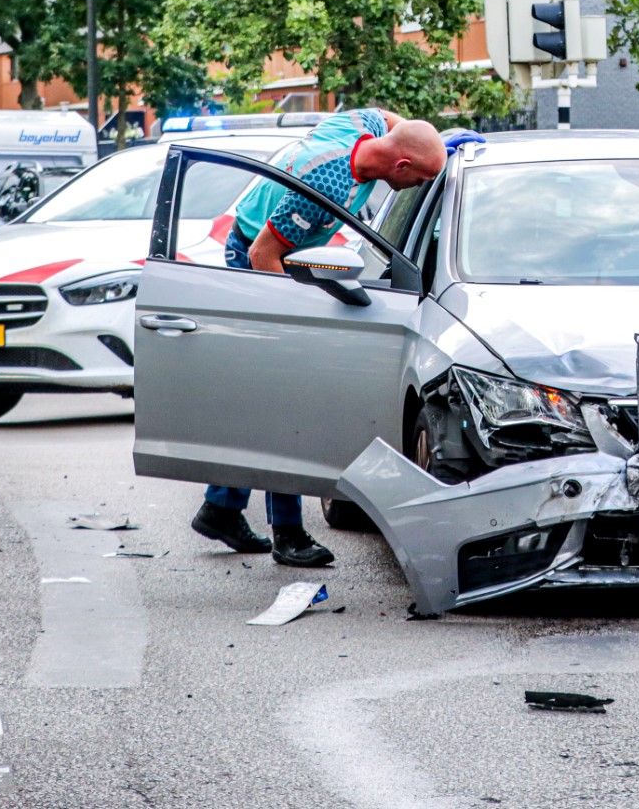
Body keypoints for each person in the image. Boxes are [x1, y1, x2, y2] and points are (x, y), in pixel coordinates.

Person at [191, 108, 447, 567]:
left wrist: (440, 144)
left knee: (275, 396)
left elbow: (393, 120)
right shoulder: (324, 188)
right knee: (284, 396)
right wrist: (295, 326)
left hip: (275, 244)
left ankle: (222, 507)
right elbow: (261, 255)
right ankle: (286, 533)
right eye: (420, 179)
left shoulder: (362, 129)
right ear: (401, 167)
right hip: (256, 254)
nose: (417, 188)